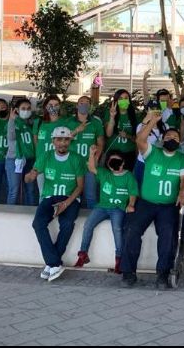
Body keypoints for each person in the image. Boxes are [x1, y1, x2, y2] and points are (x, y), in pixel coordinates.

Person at [120, 109, 184, 288]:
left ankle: (162, 274)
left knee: (167, 236)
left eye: (176, 137)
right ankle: (128, 273)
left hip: (168, 206)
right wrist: (152, 122)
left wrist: (182, 192)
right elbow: (140, 140)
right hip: (146, 203)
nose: (172, 139)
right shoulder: (153, 153)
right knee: (132, 230)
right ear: (162, 139)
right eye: (168, 136)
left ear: (180, 141)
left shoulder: (182, 159)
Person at [25, 126, 86, 282]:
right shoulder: (45, 156)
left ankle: (52, 263)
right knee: (38, 224)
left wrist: (66, 203)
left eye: (66, 140)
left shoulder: (77, 158)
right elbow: (32, 174)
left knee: (67, 224)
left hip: (70, 198)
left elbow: (80, 187)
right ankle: (54, 263)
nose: (62, 143)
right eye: (59, 139)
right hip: (50, 197)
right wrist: (30, 177)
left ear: (70, 141)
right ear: (53, 141)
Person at [75, 146, 138, 274]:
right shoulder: (104, 173)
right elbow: (91, 168)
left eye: (118, 162)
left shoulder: (129, 176)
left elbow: (133, 193)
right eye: (112, 162)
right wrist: (92, 153)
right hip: (102, 206)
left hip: (118, 208)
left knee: (117, 229)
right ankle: (83, 254)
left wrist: (131, 204)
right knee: (87, 225)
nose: (115, 165)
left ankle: (119, 259)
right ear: (108, 164)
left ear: (123, 162)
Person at [66, 96, 105, 208]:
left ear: (90, 106)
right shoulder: (69, 121)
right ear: (77, 105)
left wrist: (96, 159)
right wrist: (76, 131)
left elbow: (100, 143)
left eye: (87, 103)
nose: (84, 105)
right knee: (71, 193)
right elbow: (63, 141)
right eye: (81, 102)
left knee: (90, 195)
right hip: (72, 164)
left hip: (89, 164)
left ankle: (90, 221)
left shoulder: (96, 122)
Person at [5, 98, 38, 206]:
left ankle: (31, 215)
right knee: (14, 191)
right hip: (15, 159)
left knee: (31, 190)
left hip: (30, 160)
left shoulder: (31, 123)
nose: (26, 111)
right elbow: (11, 137)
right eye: (23, 108)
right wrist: (11, 120)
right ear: (17, 110)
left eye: (28, 108)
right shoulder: (12, 122)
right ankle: (9, 216)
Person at [104, 89, 138, 168]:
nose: (123, 100)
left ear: (129, 100)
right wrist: (112, 117)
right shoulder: (109, 113)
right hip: (113, 153)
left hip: (129, 154)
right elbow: (108, 134)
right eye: (120, 99)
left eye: (126, 98)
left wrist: (127, 136)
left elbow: (137, 139)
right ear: (116, 101)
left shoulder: (134, 116)